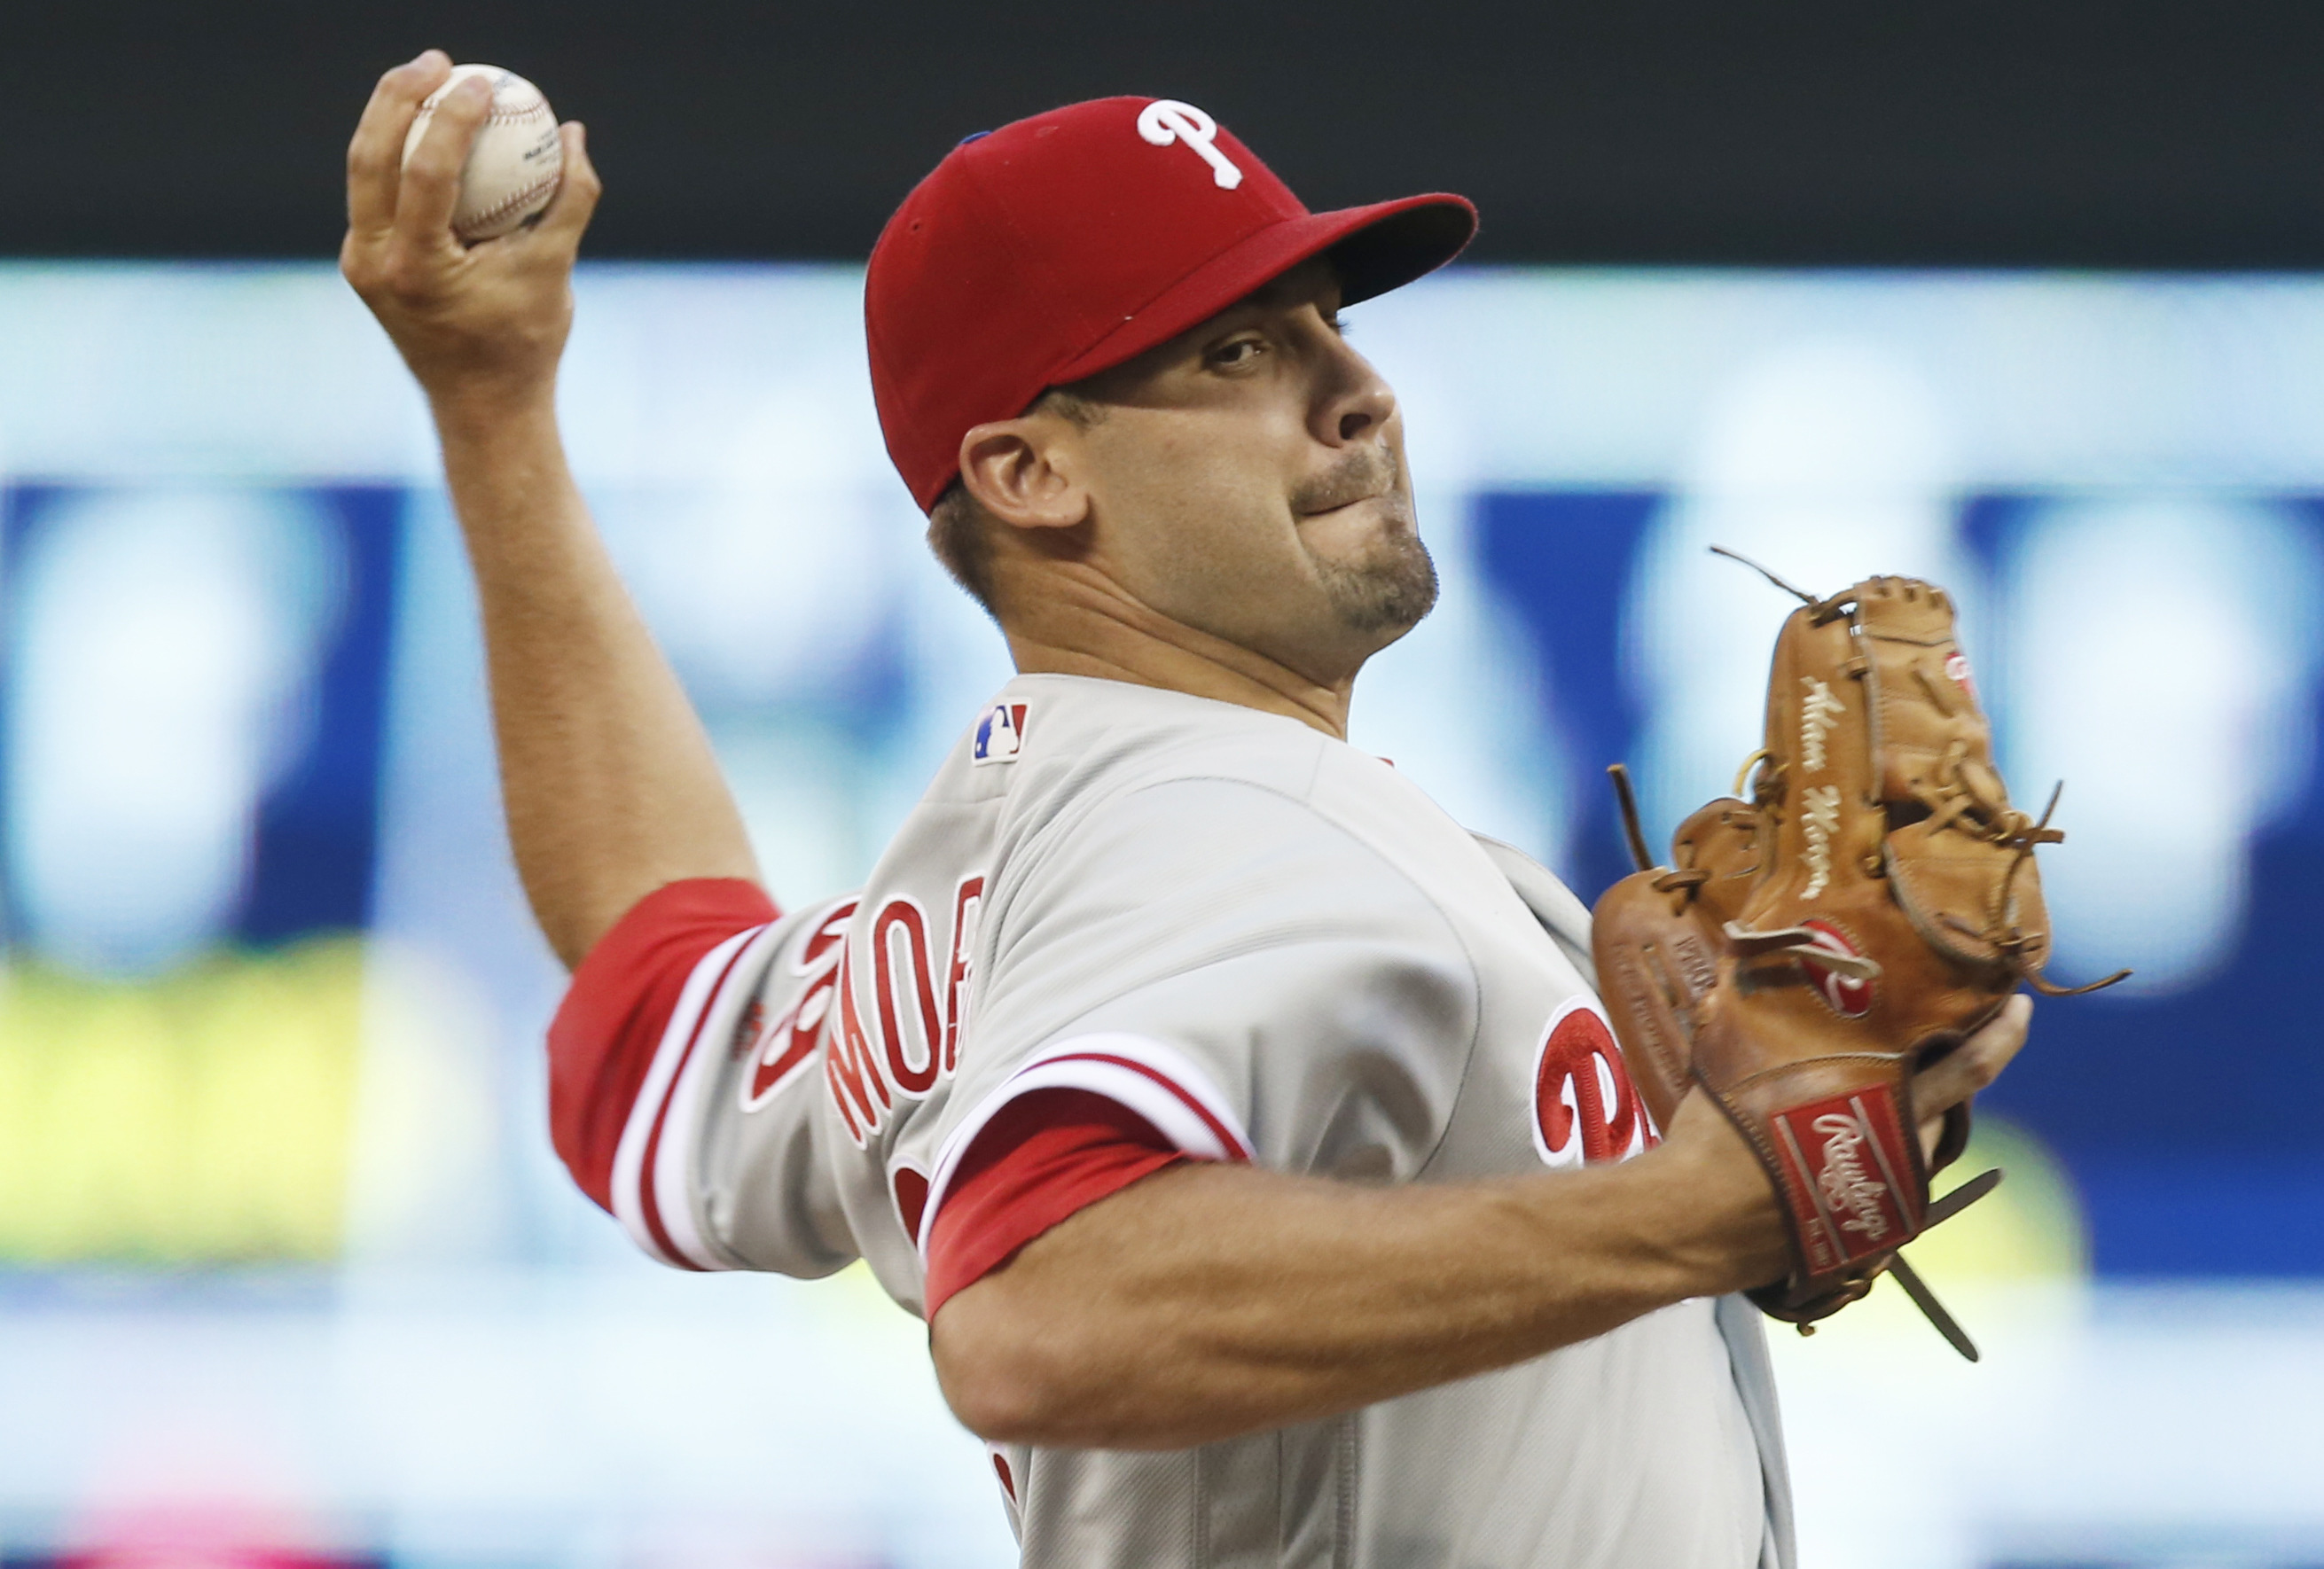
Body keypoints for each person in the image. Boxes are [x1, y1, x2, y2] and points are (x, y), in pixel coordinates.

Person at [343, 52, 2030, 1569]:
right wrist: (1685, 1215)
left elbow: (659, 987)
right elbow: (1036, 1319)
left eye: (1328, 324)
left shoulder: (996, 879)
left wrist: (494, 405)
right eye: (1238, 351)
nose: (1354, 389)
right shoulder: (1222, 818)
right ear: (1028, 473)